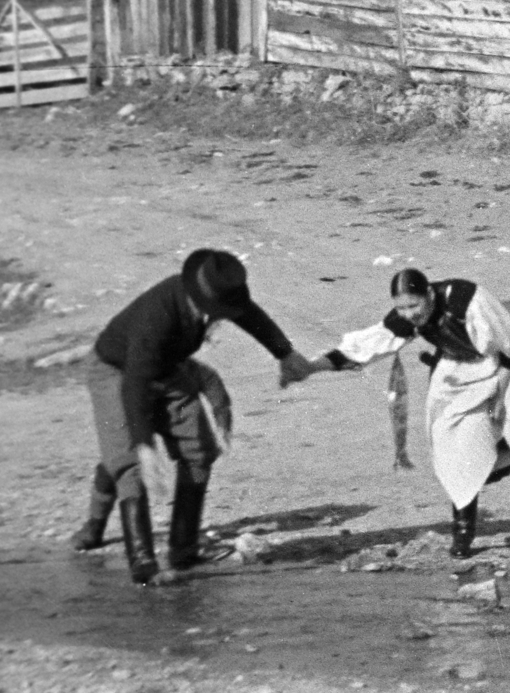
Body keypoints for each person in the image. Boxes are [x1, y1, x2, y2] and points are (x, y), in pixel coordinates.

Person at [74, 249, 348, 586]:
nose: (222, 317)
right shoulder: (157, 316)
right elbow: (135, 384)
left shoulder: (216, 295)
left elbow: (250, 315)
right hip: (117, 372)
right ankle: (142, 565)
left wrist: (284, 353)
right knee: (129, 462)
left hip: (168, 369)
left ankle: (183, 550)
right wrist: (144, 446)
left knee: (199, 450)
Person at [332, 268, 510, 554]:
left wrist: (498, 393)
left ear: (428, 295)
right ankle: (463, 532)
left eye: (413, 305)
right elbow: (370, 343)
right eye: (401, 308)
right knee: (459, 446)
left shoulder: (468, 302)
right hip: (469, 364)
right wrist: (313, 365)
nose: (409, 314)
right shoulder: (409, 317)